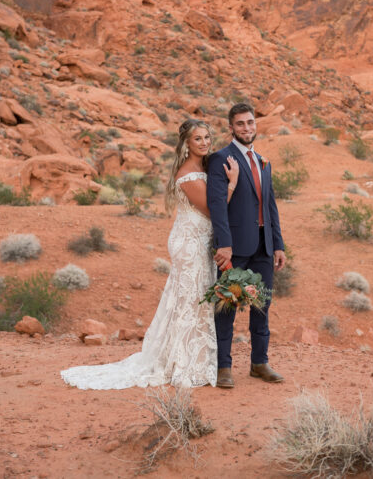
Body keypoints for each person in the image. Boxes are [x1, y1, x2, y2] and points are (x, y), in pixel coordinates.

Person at [61, 118, 239, 389]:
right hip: (189, 243)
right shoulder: (187, 173)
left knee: (194, 298)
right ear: (186, 143)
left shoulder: (202, 166)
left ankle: (193, 358)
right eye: (198, 139)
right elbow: (212, 209)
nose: (204, 143)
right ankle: (183, 363)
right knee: (191, 300)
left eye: (206, 137)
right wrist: (232, 184)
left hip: (200, 240)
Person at [207, 103, 286, 389]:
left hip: (264, 247)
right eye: (240, 124)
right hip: (235, 247)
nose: (246, 128)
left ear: (256, 125)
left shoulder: (264, 161)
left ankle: (259, 363)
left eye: (250, 123)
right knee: (226, 307)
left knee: (262, 306)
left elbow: (270, 205)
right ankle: (223, 367)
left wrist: (278, 244)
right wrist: (224, 244)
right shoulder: (220, 159)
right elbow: (217, 206)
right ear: (231, 127)